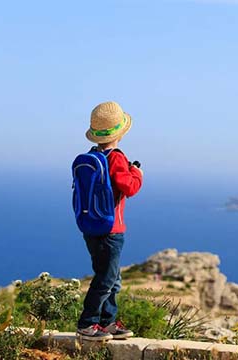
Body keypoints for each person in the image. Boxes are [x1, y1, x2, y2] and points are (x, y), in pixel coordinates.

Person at [76, 101, 143, 341]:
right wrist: (137, 173)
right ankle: (88, 323)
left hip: (91, 226)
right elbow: (129, 187)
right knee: (106, 280)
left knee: (111, 278)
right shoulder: (116, 158)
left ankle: (108, 322)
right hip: (111, 229)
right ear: (120, 133)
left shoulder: (94, 156)